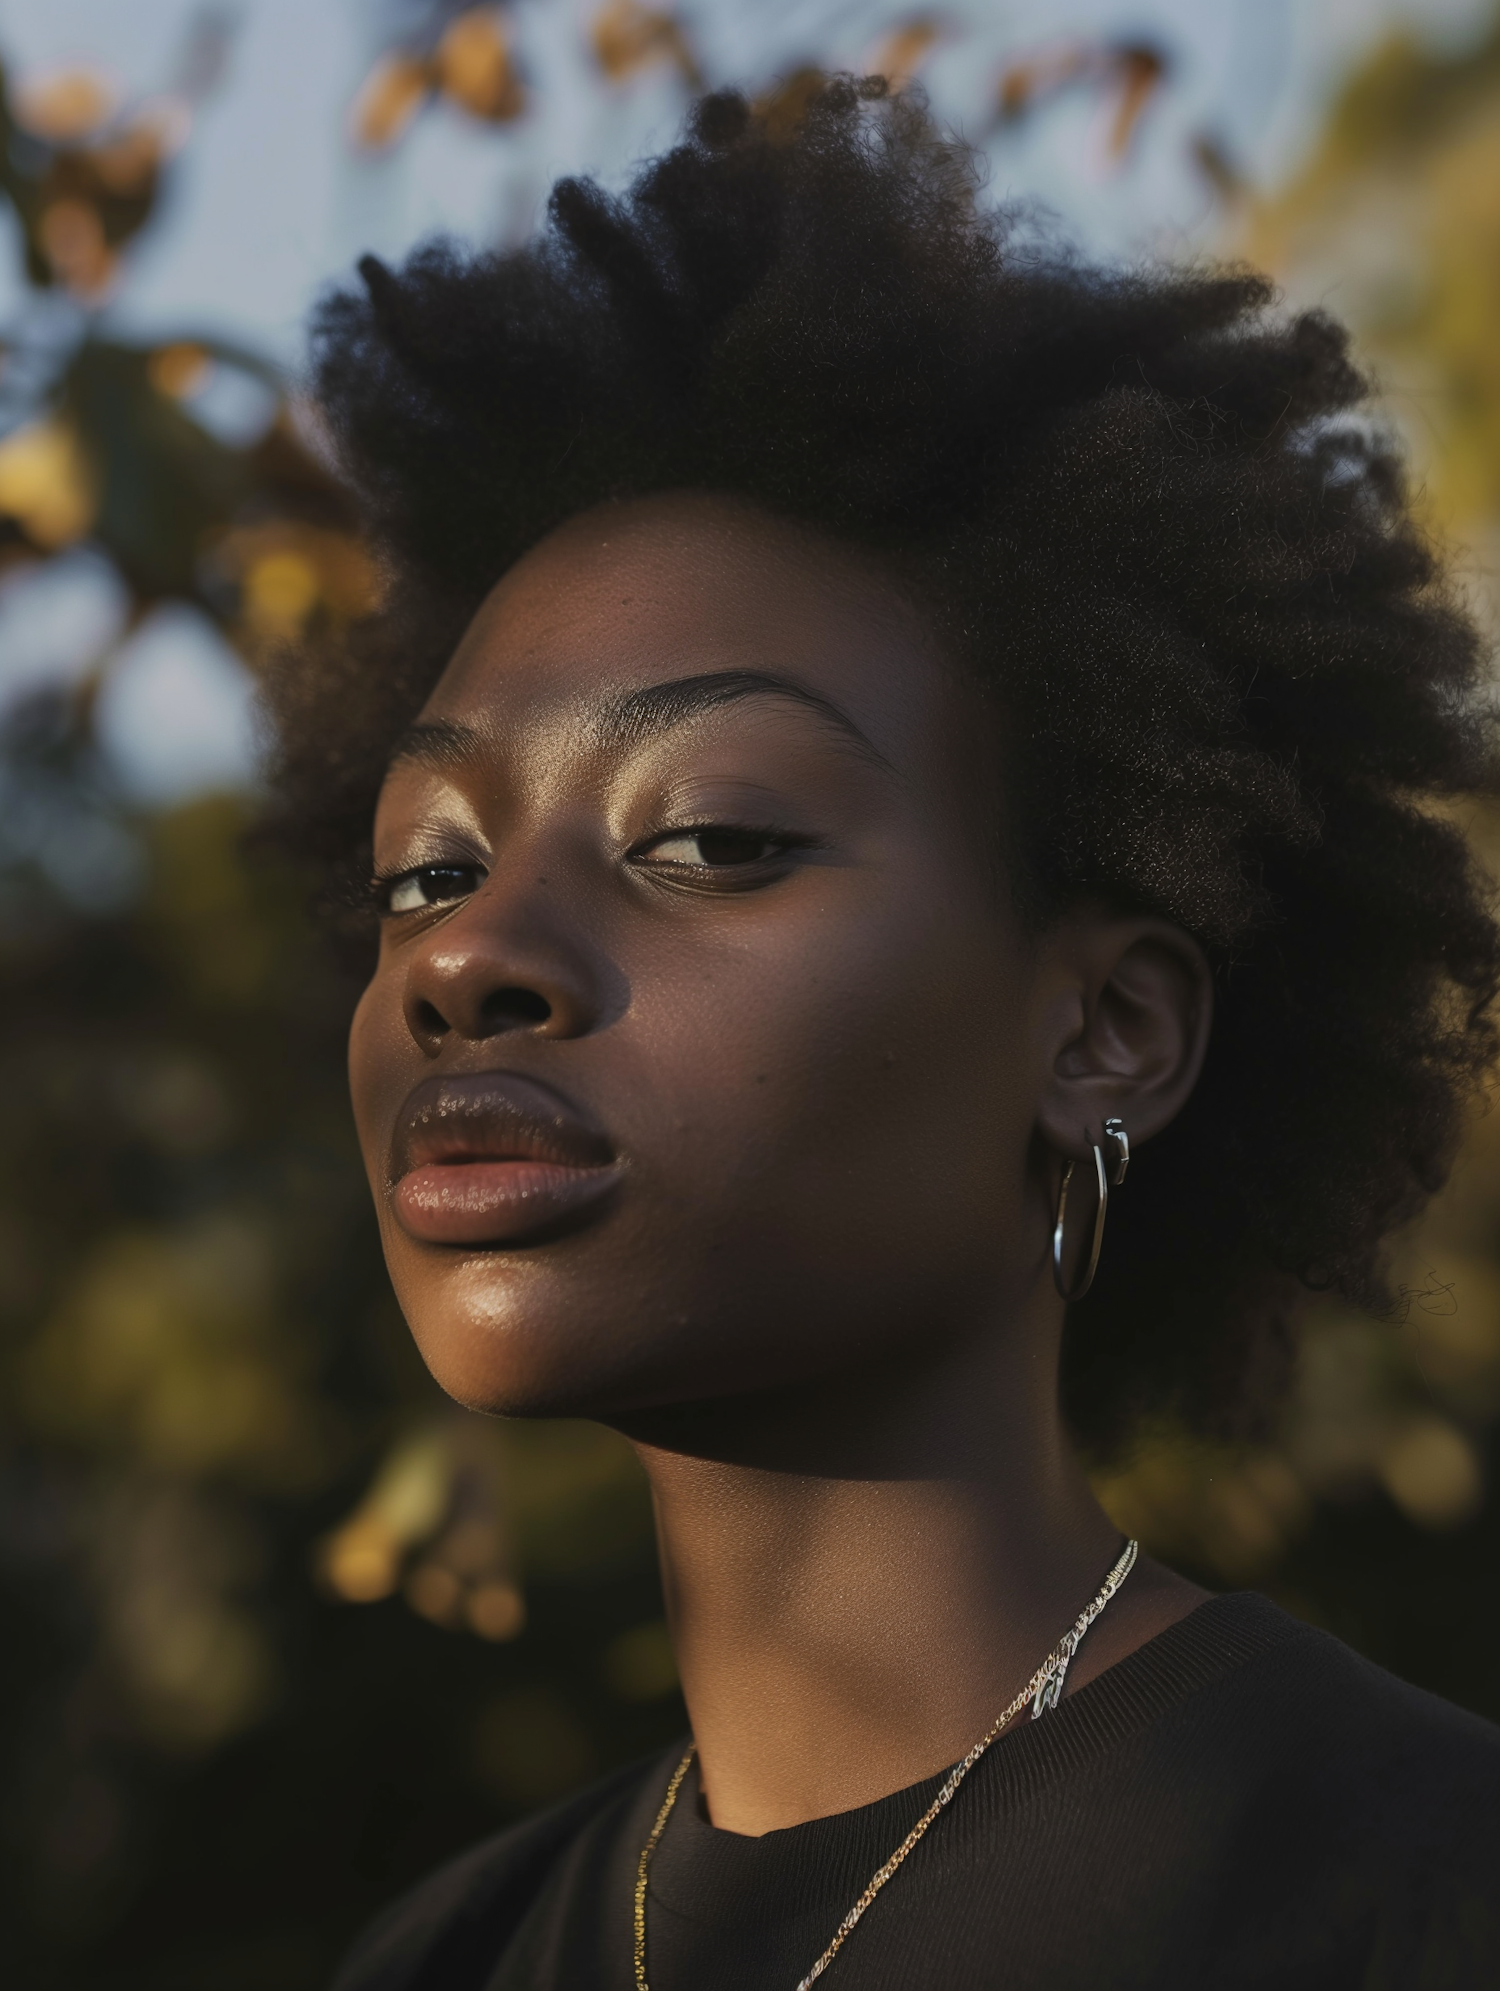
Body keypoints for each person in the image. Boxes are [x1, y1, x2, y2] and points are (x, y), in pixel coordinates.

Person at [270, 77, 1500, 1991]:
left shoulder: (1418, 1887)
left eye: (709, 839)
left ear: (1102, 1030)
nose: (469, 957)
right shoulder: (442, 1956)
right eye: (423, 871)